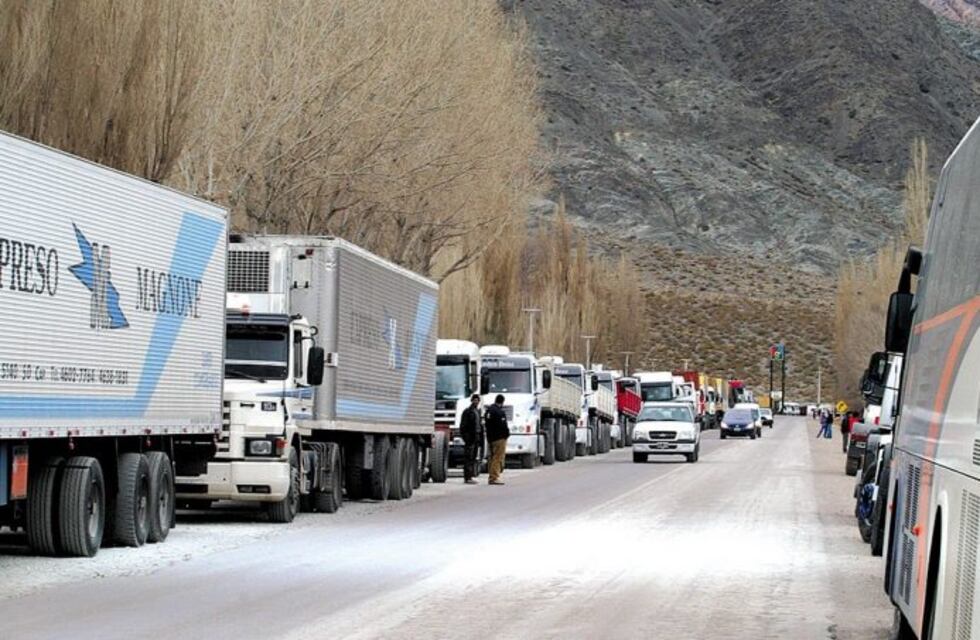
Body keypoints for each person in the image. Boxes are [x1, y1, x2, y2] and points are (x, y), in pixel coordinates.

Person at [485, 394, 509, 485]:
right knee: (497, 457)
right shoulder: (499, 412)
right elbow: (502, 426)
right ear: (502, 402)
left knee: (492, 457)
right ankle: (494, 477)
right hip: (499, 438)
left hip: (490, 437)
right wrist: (506, 434)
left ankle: (491, 475)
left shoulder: (489, 411)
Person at [460, 394, 481, 485]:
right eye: (474, 400)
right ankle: (467, 477)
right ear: (471, 400)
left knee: (473, 458)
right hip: (470, 438)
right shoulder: (468, 412)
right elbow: (463, 426)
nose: (476, 402)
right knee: (468, 458)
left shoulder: (477, 411)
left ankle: (471, 475)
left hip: (476, 437)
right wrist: (466, 437)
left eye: (477, 400)